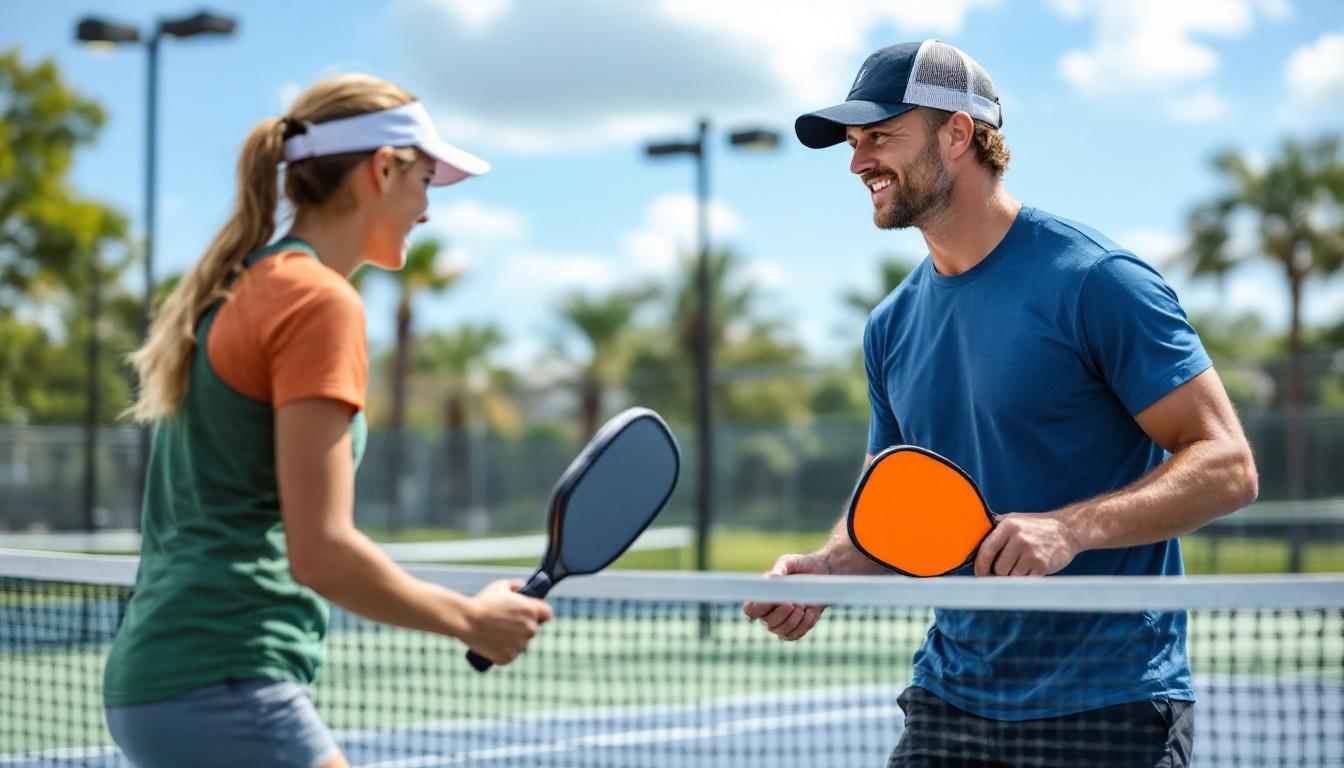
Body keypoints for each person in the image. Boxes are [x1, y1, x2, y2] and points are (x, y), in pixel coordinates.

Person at [742, 40, 1257, 767]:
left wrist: (1069, 530)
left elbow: (1228, 464)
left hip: (1108, 705)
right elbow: (900, 512)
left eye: (880, 136)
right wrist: (826, 568)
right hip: (952, 698)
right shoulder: (890, 327)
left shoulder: (1095, 280)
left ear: (957, 132)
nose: (858, 162)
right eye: (853, 144)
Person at [102, 74, 553, 768]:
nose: (427, 209)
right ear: (380, 170)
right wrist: (472, 619)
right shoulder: (319, 302)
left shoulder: (240, 288)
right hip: (226, 676)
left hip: (158, 681)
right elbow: (322, 553)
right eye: (426, 181)